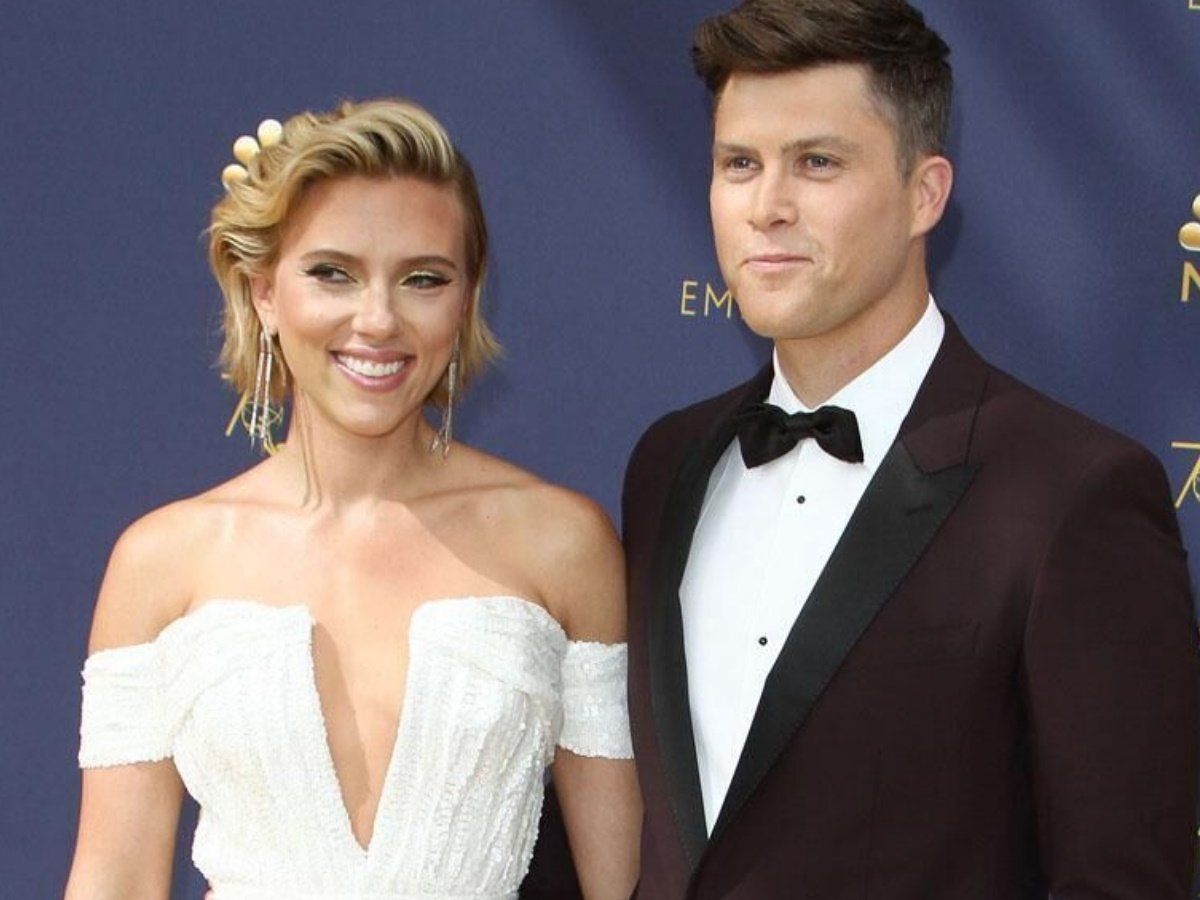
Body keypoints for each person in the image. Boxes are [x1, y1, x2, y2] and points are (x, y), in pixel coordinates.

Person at [621, 1, 1200, 897]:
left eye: (817, 162)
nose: (767, 208)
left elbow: (1122, 879)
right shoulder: (668, 464)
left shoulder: (1073, 493)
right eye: (740, 164)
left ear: (925, 193)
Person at [63, 98, 640, 900]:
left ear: (466, 300)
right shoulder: (161, 563)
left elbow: (624, 882)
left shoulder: (562, 544)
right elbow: (115, 878)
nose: (377, 320)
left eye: (423, 279)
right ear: (265, 292)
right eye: (332, 273)